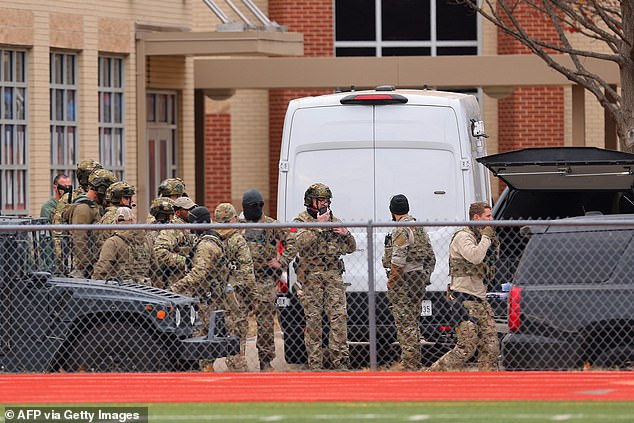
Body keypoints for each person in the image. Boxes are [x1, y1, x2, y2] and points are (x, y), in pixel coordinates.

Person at [428, 201, 500, 371]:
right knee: (465, 348)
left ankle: (487, 384)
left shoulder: (480, 236)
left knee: (491, 347)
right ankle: (431, 374)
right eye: (487, 216)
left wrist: (492, 241)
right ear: (476, 217)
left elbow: (490, 260)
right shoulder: (463, 236)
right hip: (465, 300)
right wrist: (487, 237)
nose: (491, 220)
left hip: (481, 299)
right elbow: (474, 256)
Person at [293, 183, 356, 370]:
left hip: (333, 276)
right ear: (310, 201)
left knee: (339, 318)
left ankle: (341, 363)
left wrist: (346, 233)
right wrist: (318, 226)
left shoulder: (334, 220)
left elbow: (351, 247)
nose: (324, 203)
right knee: (313, 321)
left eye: (326, 200)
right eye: (320, 200)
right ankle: (315, 365)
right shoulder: (301, 221)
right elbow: (301, 244)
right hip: (311, 277)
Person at [239, 188, 297, 371]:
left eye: (259, 205)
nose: (257, 208)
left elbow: (293, 241)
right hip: (243, 278)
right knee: (238, 321)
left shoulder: (271, 225)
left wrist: (281, 261)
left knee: (264, 322)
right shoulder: (238, 226)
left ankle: (265, 360)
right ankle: (238, 361)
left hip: (265, 279)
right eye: (253, 206)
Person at [382, 194, 436, 371]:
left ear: (392, 211)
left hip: (403, 281)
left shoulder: (400, 229)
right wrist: (424, 276)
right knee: (414, 322)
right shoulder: (418, 227)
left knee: (405, 324)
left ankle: (409, 364)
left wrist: (391, 283)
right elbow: (431, 257)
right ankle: (414, 360)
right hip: (417, 279)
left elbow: (398, 261)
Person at [171, 206, 227, 371]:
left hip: (207, 298)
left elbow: (198, 273)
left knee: (202, 336)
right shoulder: (208, 239)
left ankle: (205, 371)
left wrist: (176, 286)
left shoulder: (205, 246)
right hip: (209, 296)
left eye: (192, 222)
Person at [215, 202, 256, 372]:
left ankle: (214, 364)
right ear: (232, 219)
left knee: (221, 328)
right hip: (236, 293)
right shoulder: (237, 240)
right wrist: (253, 296)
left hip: (215, 291)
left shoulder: (211, 237)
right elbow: (247, 271)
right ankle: (238, 366)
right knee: (238, 329)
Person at [62, 168, 117, 278]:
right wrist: (86, 266)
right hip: (85, 268)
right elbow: (79, 238)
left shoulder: (93, 206)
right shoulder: (84, 208)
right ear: (101, 189)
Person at [92, 207, 151, 285]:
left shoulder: (113, 242)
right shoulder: (146, 240)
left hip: (121, 289)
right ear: (132, 221)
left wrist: (94, 283)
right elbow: (155, 267)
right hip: (145, 289)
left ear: (116, 222)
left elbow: (103, 269)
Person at [96, 181, 136, 249]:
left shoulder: (108, 215)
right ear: (123, 199)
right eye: (130, 197)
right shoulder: (121, 216)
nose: (132, 201)